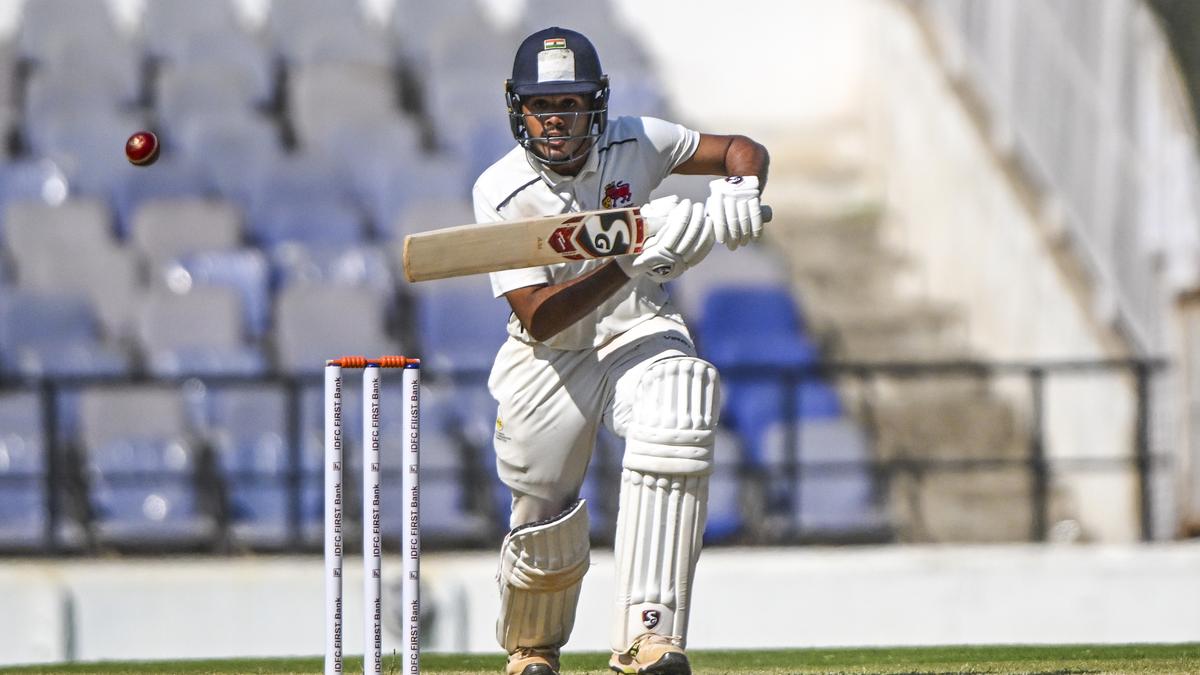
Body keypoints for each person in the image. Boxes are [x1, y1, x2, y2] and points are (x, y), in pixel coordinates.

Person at [473, 26, 769, 675]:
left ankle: (648, 635)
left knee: (680, 402)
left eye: (569, 104)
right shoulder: (500, 191)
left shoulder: (637, 140)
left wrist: (743, 188)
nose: (555, 119)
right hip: (550, 356)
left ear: (596, 105)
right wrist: (631, 262)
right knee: (543, 507)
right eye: (541, 105)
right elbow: (541, 317)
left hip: (637, 330)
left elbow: (740, 149)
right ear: (519, 109)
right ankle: (531, 647)